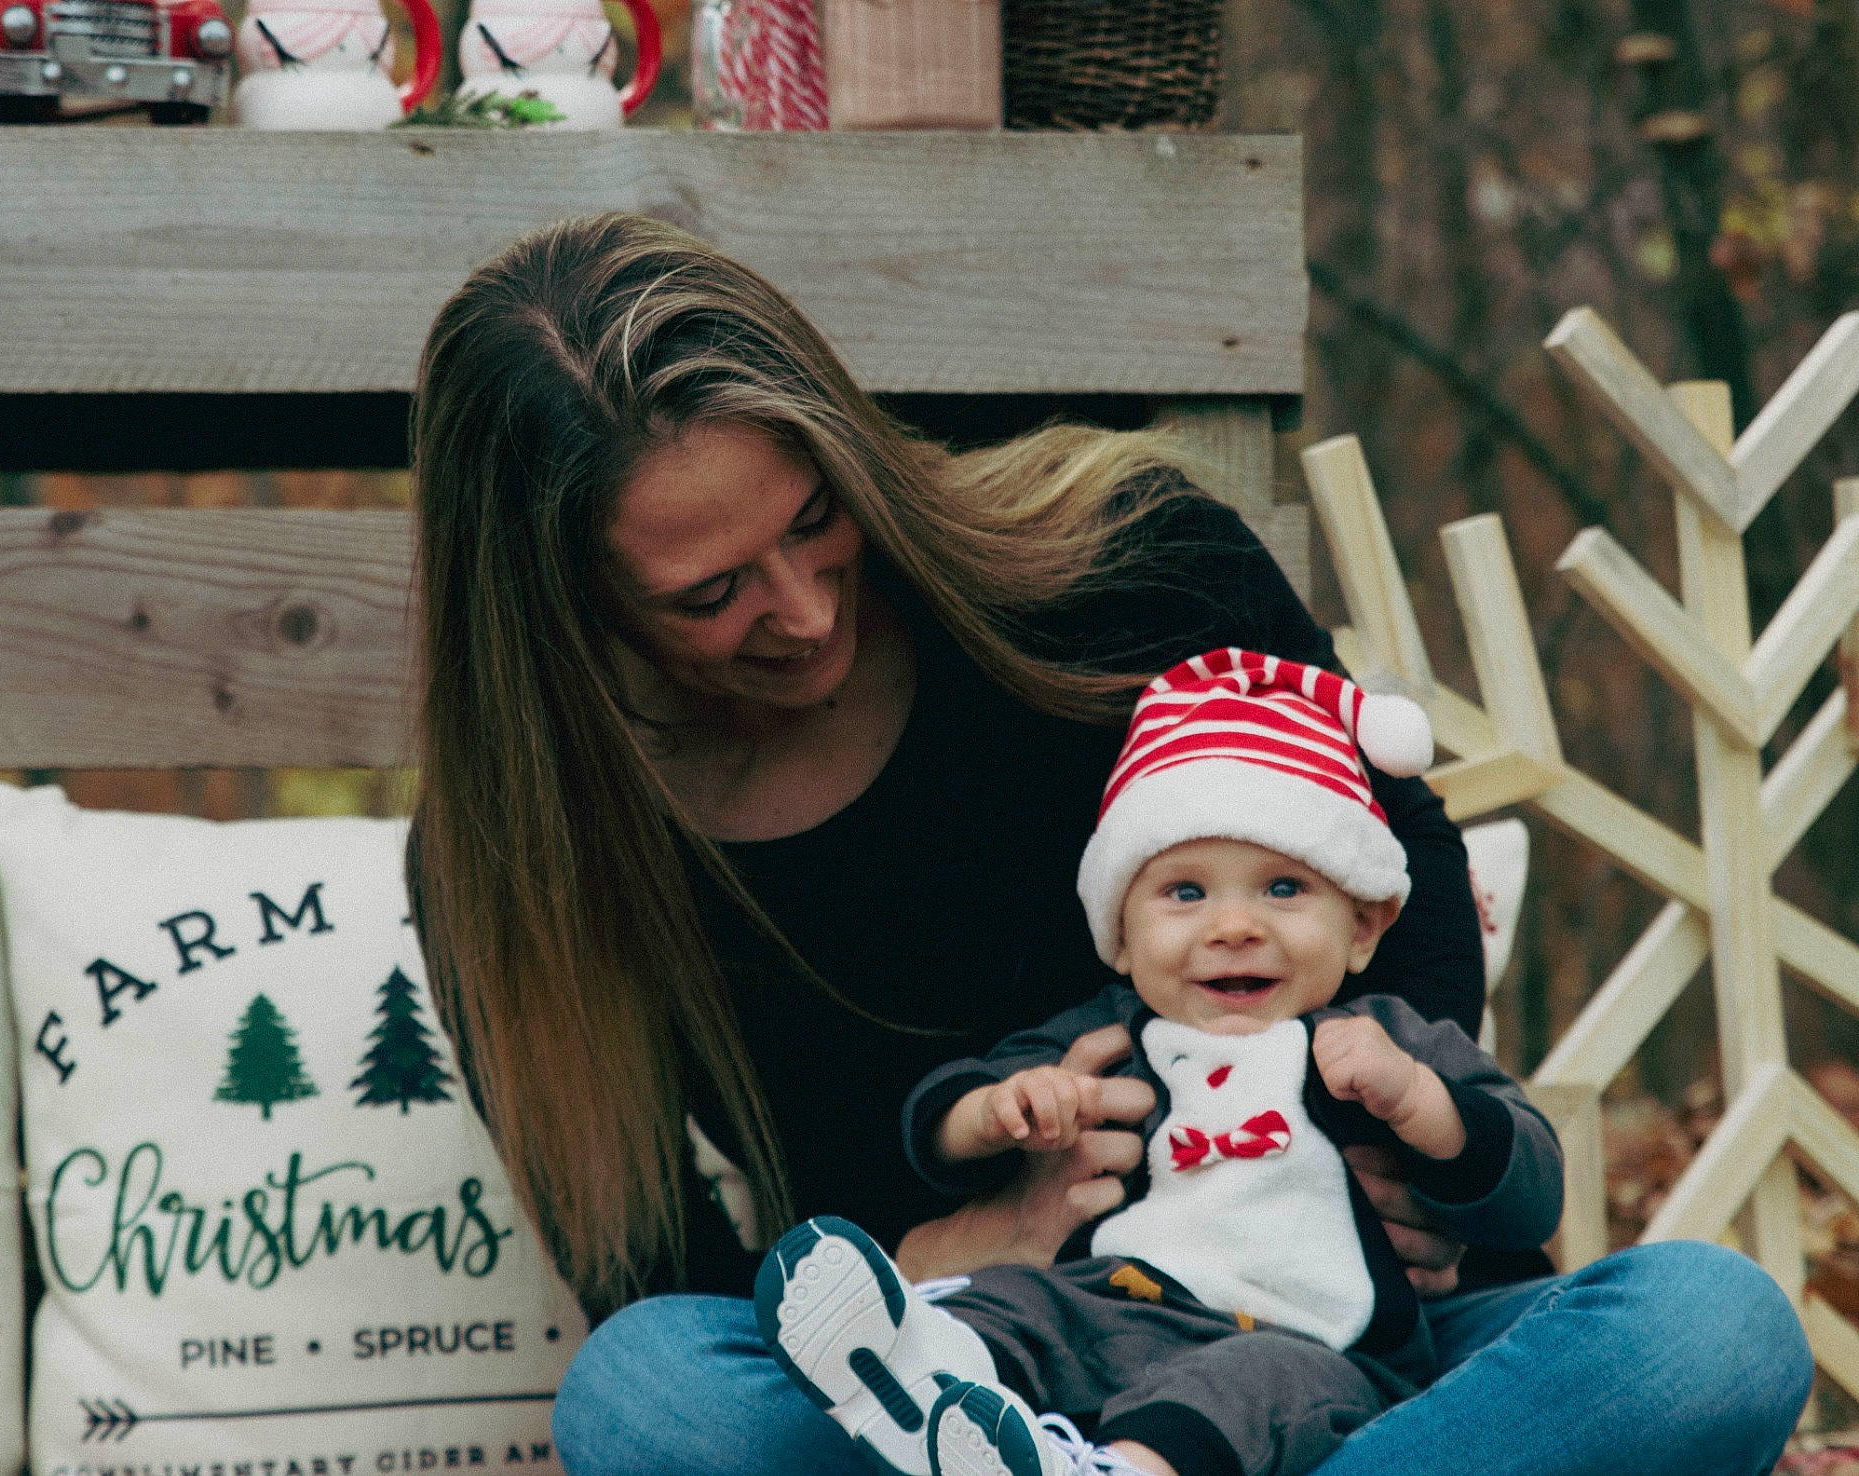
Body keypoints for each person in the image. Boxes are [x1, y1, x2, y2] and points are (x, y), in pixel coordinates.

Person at [403, 212, 1814, 1476]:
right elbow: (652, 1267)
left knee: (1711, 1334)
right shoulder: (531, 860)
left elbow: (1403, 858)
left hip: (1347, 1356)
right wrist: (926, 1258)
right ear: (565, 610)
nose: (806, 609)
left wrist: (1378, 1156)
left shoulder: (1120, 563)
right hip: (965, 1382)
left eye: (817, 520)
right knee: (646, 1393)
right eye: (711, 594)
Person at [755, 648, 1563, 1476]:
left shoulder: (1384, 1038)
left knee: (1249, 1381)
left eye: (1284, 888)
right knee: (1015, 1302)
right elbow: (938, 1122)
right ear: (1121, 933)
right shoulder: (1109, 1038)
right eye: (1186, 892)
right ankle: (929, 1393)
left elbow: (1532, 1196)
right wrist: (997, 1112)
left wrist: (1420, 1100)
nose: (1234, 927)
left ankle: (1123, 1471)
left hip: (1315, 1345)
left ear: (1361, 928)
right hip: (1117, 1310)